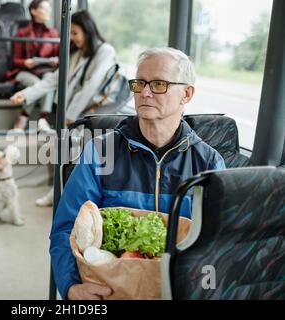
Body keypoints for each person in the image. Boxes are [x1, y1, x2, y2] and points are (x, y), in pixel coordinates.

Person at [49, 47, 226, 300]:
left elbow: (216, 245)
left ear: (186, 94)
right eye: (140, 82)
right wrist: (70, 287)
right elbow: (67, 228)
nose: (144, 92)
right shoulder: (100, 152)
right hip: (111, 290)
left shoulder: (208, 163)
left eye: (158, 84)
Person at [11, 10, 117, 206]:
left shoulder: (105, 51)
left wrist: (70, 117)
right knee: (66, 152)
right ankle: (59, 194)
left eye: (75, 33)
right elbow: (53, 79)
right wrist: (26, 94)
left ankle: (70, 197)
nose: (73, 38)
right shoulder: (77, 53)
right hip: (77, 115)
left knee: (87, 159)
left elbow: (91, 86)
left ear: (88, 30)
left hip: (96, 115)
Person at [8, 0, 59, 132]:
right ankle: (23, 117)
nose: (48, 11)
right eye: (44, 8)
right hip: (24, 71)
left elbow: (60, 57)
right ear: (33, 11)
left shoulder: (53, 33)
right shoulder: (22, 33)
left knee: (49, 79)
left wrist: (55, 60)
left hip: (45, 70)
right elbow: (15, 60)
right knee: (36, 83)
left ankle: (43, 119)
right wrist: (25, 62)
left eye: (49, 9)